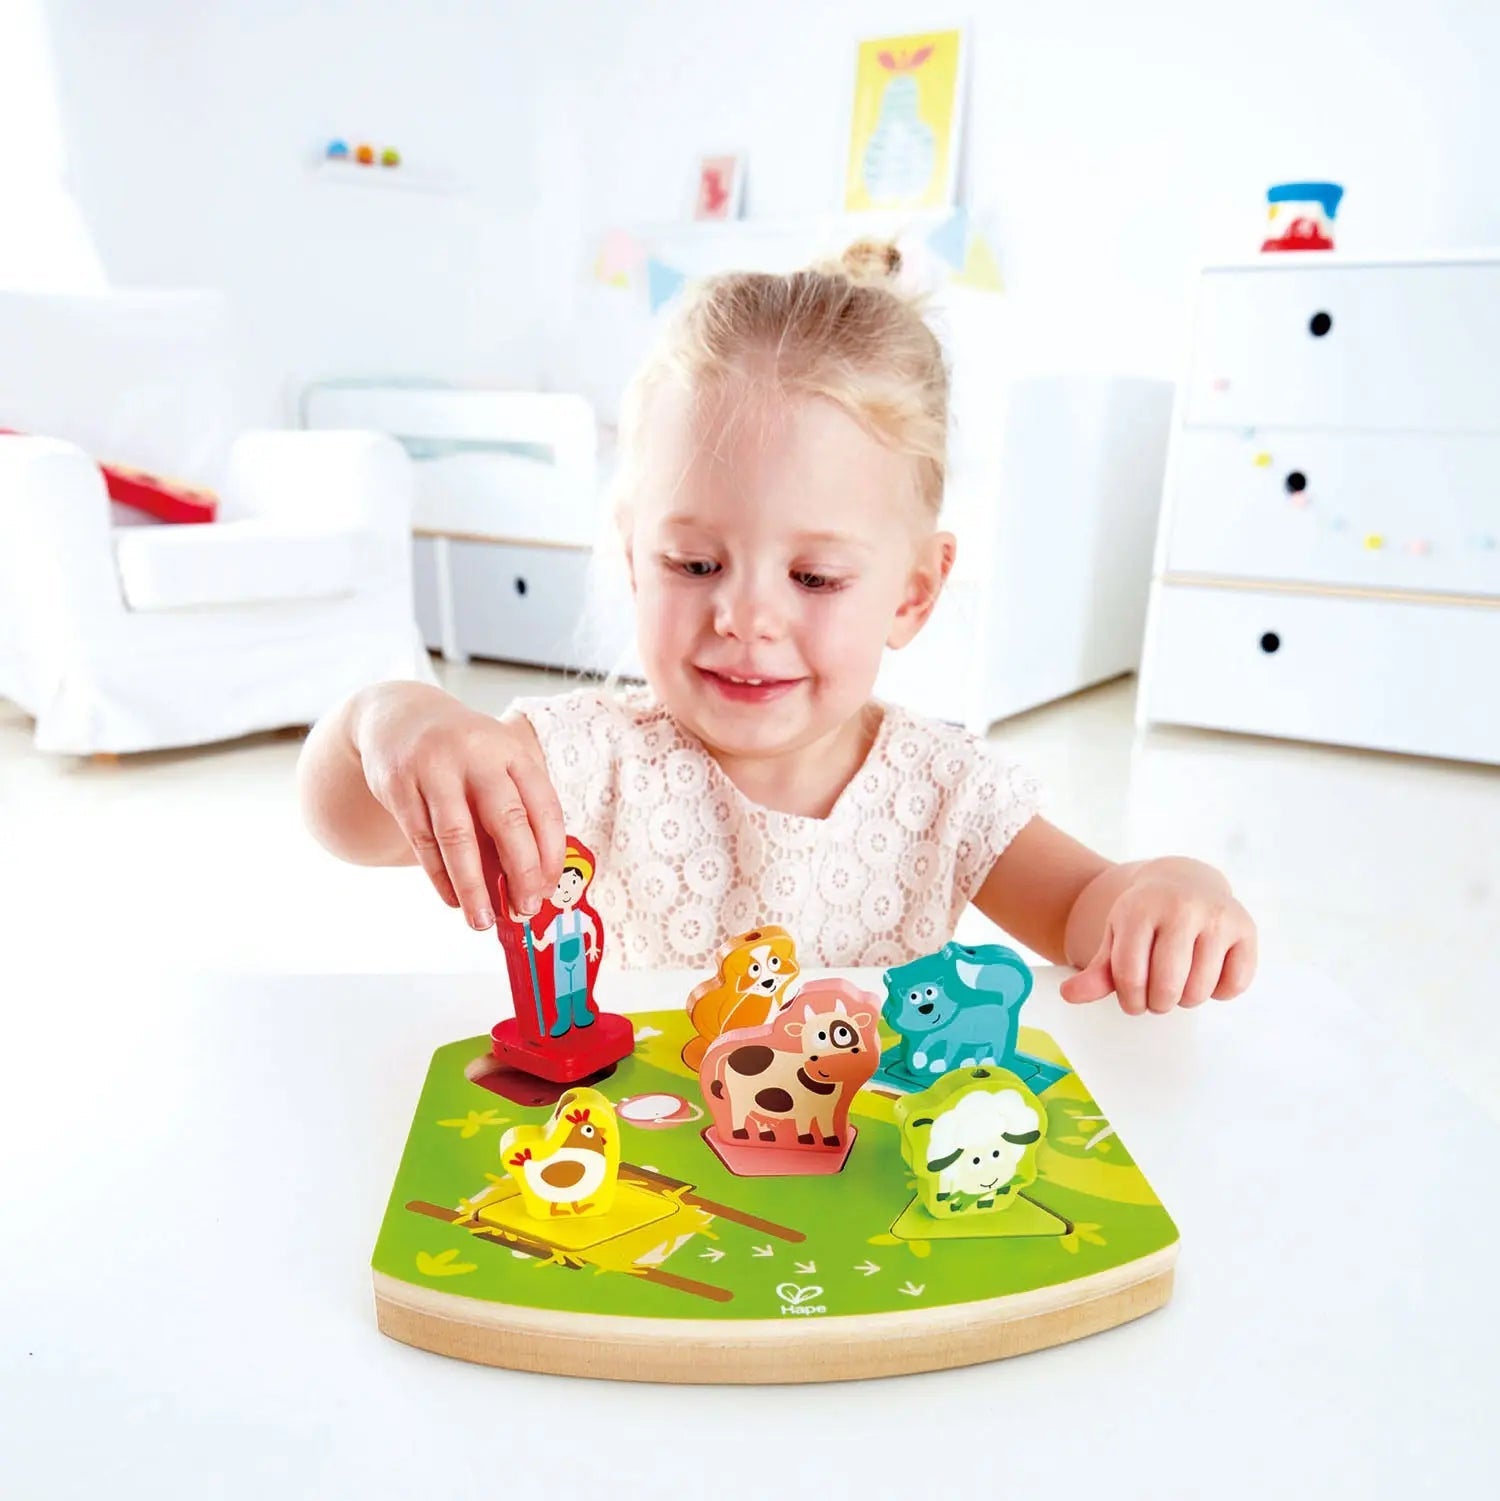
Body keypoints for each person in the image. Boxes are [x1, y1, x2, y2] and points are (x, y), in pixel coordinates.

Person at [298, 241, 1257, 1016]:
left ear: (913, 593)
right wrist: (389, 720)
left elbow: (1086, 907)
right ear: (633, 556)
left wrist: (1169, 893)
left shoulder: (944, 791)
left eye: (814, 577)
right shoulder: (585, 759)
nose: (747, 618)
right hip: (636, 1160)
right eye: (694, 563)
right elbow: (348, 826)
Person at [531, 845, 600, 1036]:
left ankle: (581, 1014)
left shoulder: (580, 917)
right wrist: (532, 941)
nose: (566, 891)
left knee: (579, 986)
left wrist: (593, 947)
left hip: (579, 961)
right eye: (559, 887)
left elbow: (592, 929)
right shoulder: (556, 923)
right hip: (561, 964)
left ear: (582, 883)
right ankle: (562, 1019)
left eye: (572, 882)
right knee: (562, 990)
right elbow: (543, 944)